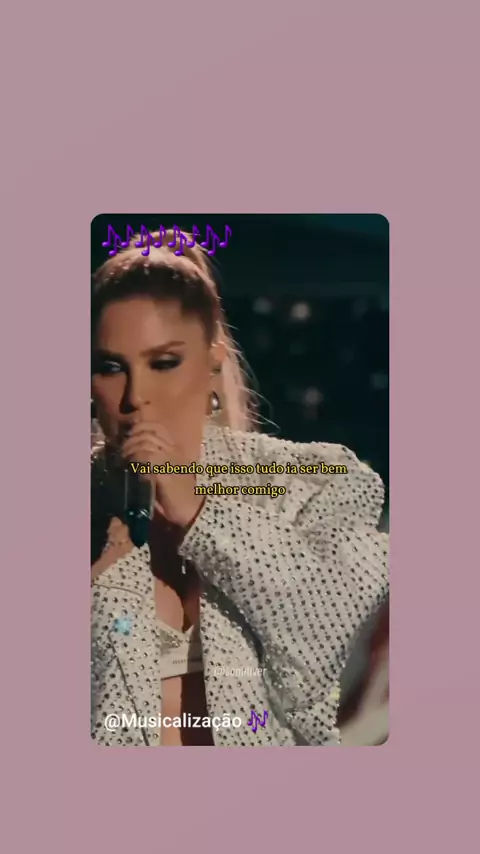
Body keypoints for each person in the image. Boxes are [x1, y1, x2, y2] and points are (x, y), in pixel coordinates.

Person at [91, 228, 389, 747]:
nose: (136, 396)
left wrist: (199, 511)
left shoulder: (302, 482)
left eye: (164, 363)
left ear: (213, 359)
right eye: (112, 367)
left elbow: (324, 638)